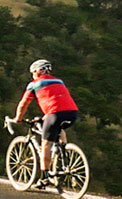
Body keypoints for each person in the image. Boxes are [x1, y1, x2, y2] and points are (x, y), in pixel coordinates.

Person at [8, 58, 78, 186]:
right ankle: (63, 153)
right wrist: (45, 117)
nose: (32, 75)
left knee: (46, 144)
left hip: (54, 114)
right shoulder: (59, 81)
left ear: (38, 71)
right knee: (59, 129)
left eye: (33, 73)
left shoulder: (34, 84)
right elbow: (58, 101)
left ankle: (45, 177)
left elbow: (23, 104)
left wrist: (18, 118)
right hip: (72, 113)